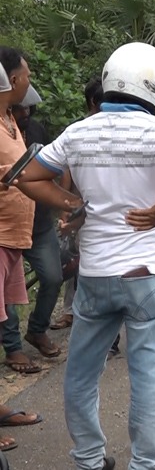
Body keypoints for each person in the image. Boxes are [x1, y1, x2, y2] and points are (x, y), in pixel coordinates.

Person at [10, 42, 155, 469]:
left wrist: (72, 205)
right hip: (147, 273)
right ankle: (146, 464)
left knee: (81, 375)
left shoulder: (79, 132)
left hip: (96, 275)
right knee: (150, 377)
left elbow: (27, 176)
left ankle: (88, 459)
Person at [0, 48, 45, 452]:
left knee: (5, 318)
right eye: (27, 75)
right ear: (11, 80)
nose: (29, 81)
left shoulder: (11, 120)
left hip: (13, 239)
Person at [3, 84, 65, 374]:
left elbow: (55, 167)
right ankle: (12, 347)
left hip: (38, 223)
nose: (25, 112)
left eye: (29, 108)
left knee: (53, 277)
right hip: (8, 226)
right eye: (20, 108)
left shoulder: (36, 131)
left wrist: (64, 204)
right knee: (7, 295)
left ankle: (37, 329)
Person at [50, 76, 105, 332]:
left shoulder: (109, 130)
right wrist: (66, 213)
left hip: (104, 209)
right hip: (81, 209)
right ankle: (73, 311)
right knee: (77, 263)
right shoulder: (78, 133)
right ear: (94, 102)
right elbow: (65, 178)